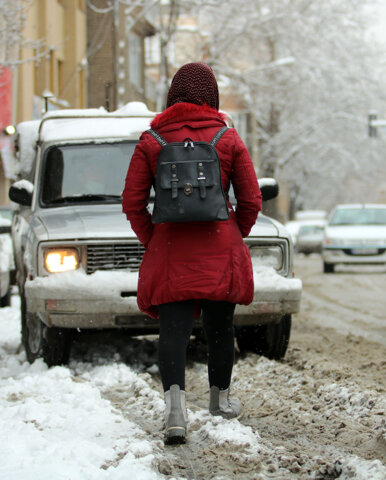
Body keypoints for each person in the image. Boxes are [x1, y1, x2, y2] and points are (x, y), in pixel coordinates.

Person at [121, 62, 262, 445]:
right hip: (220, 249)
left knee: (173, 332)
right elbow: (251, 199)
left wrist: (154, 238)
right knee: (220, 329)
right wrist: (232, 234)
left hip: (170, 251)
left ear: (173, 96)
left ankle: (175, 413)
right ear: (211, 96)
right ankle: (221, 401)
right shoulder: (228, 138)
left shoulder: (151, 139)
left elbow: (132, 202)